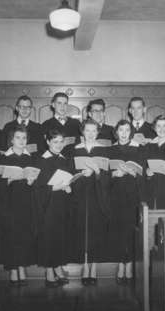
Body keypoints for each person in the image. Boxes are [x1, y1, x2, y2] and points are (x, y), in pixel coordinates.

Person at [0, 125, 39, 286]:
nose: (21, 141)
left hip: (27, 204)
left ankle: (22, 267)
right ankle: (13, 269)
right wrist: (9, 179)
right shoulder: (4, 158)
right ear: (11, 140)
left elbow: (37, 181)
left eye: (24, 138)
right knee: (12, 237)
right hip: (10, 204)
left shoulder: (31, 159)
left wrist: (31, 181)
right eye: (18, 138)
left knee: (24, 236)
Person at [71, 119, 110, 285]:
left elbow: (108, 176)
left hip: (97, 195)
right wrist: (81, 174)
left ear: (98, 132)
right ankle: (84, 266)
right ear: (82, 132)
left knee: (95, 230)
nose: (91, 134)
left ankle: (93, 268)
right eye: (87, 130)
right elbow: (69, 174)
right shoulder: (74, 150)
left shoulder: (103, 150)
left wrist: (97, 173)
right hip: (80, 195)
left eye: (94, 131)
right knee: (81, 230)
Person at [35, 129, 72, 287]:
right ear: (48, 142)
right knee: (49, 238)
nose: (58, 145)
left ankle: (57, 266)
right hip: (47, 205)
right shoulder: (41, 160)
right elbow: (37, 188)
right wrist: (53, 188)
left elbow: (68, 179)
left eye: (61, 141)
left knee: (59, 237)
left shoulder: (65, 159)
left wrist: (69, 187)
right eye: (55, 141)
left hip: (61, 205)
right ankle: (50, 272)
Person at [108, 120, 143, 284]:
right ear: (116, 132)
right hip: (115, 197)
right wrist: (114, 175)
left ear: (131, 132)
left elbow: (143, 174)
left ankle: (128, 266)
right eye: (120, 130)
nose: (124, 133)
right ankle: (120, 265)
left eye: (127, 130)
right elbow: (104, 175)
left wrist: (133, 173)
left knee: (130, 231)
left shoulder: (138, 149)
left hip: (132, 196)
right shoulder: (110, 149)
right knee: (118, 231)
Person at [41, 92, 81, 157]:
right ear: (53, 105)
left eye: (65, 103)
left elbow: (80, 144)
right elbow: (43, 148)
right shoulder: (46, 125)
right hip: (55, 162)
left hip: (74, 162)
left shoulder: (76, 123)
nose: (62, 106)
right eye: (59, 103)